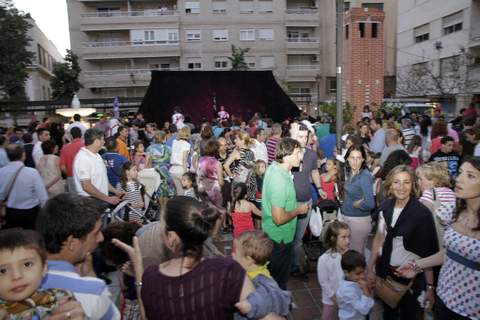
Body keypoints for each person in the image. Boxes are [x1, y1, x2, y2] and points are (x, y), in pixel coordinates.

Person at [113, 196, 256, 320]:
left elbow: (145, 316)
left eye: (161, 226)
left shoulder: (151, 278)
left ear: (171, 238)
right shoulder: (229, 270)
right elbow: (263, 311)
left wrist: (138, 271)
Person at [396, 157, 480, 320]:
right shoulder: (451, 211)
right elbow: (450, 253)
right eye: (461, 172)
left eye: (471, 176)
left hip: (473, 308)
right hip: (444, 298)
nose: (460, 179)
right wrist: (416, 265)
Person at [367, 165, 438, 319]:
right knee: (388, 314)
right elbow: (379, 238)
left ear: (413, 185)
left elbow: (427, 251)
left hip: (411, 281)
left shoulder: (421, 214)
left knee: (410, 315)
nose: (401, 187)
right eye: (396, 182)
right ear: (390, 185)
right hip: (386, 274)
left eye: (406, 182)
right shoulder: (385, 208)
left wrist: (430, 287)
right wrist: (370, 267)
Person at [37, 193, 121, 319]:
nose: (101, 238)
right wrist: (91, 278)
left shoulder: (12, 283)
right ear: (72, 243)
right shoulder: (93, 292)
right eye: (96, 233)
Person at [0, 228, 85, 320]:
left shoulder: (60, 297)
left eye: (27, 264)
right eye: (3, 271)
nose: (17, 276)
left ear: (44, 268)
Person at [261, 138, 309, 290]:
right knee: (279, 282)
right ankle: (277, 308)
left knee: (273, 278)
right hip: (280, 238)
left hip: (273, 235)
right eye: (297, 153)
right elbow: (279, 218)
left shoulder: (275, 167)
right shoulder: (279, 180)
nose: (300, 157)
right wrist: (298, 210)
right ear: (286, 155)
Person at [233, 230, 293, 319]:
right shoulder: (250, 270)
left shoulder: (261, 279)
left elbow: (269, 299)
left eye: (235, 253)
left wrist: (250, 306)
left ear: (248, 260)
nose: (232, 255)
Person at [290, 124, 323, 280]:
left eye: (305, 137)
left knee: (298, 239)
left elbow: (314, 171)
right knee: (287, 238)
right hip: (289, 204)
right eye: (300, 136)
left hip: (306, 201)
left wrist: (319, 187)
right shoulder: (288, 154)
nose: (303, 140)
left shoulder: (311, 155)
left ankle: (294, 267)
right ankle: (286, 265)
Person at [0, 144, 48, 229]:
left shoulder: (1, 172)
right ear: (23, 155)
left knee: (14, 238)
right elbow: (42, 195)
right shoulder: (32, 172)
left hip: (10, 211)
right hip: (30, 212)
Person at [73, 128, 123, 205]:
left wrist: (115, 191)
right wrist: (108, 199)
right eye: (102, 139)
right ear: (96, 141)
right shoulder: (83, 158)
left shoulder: (97, 155)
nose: (104, 142)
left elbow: (103, 180)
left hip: (100, 200)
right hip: (90, 203)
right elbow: (86, 186)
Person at [341, 144, 375, 254]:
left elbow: (370, 204)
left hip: (358, 222)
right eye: (352, 158)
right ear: (347, 159)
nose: (355, 161)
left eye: (358, 158)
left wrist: (358, 204)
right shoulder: (352, 171)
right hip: (349, 218)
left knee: (355, 258)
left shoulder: (364, 176)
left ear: (363, 159)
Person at [317, 221, 351, 320]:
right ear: (333, 238)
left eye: (349, 237)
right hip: (330, 299)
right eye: (343, 237)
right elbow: (324, 282)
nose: (348, 241)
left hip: (347, 297)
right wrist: (334, 299)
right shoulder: (324, 259)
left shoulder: (350, 255)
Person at [336, 250, 374, 320]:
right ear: (346, 273)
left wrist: (368, 288)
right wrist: (365, 291)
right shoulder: (346, 291)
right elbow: (364, 310)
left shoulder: (353, 279)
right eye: (358, 273)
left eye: (363, 271)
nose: (362, 276)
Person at [224, 131, 257, 202]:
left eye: (237, 139)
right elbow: (253, 168)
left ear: (242, 141)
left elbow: (225, 165)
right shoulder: (251, 152)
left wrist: (232, 176)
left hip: (239, 184)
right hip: (250, 183)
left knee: (237, 205)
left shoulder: (237, 152)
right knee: (248, 206)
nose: (235, 140)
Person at [146, 131, 175, 204]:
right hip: (166, 172)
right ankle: (164, 211)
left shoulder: (150, 148)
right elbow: (172, 162)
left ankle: (160, 210)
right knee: (166, 192)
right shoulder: (169, 148)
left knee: (159, 191)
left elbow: (147, 163)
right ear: (163, 138)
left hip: (155, 172)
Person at [197, 139, 224, 207]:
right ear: (216, 150)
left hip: (202, 189)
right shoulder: (217, 163)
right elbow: (220, 182)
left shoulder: (200, 160)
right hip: (214, 191)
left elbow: (198, 176)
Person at [59, 127, 84, 193]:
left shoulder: (65, 148)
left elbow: (62, 167)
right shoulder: (87, 146)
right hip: (86, 177)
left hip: (71, 177)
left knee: (74, 200)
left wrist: (70, 174)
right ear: (81, 135)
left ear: (71, 136)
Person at [169, 126, 191, 196]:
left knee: (178, 192)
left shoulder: (174, 142)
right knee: (185, 193)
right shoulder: (187, 145)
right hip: (181, 170)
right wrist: (185, 174)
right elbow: (184, 159)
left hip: (172, 170)